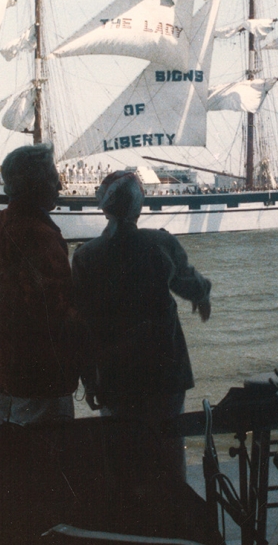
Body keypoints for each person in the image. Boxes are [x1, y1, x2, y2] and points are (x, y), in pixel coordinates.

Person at [71, 170, 211, 477]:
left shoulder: (85, 256)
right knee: (168, 450)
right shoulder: (160, 243)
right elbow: (190, 284)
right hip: (165, 369)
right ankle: (173, 512)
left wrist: (89, 379)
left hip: (115, 372)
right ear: (139, 207)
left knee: (123, 456)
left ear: (103, 206)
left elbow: (82, 325)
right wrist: (203, 295)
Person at [0, 143, 79, 425]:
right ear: (38, 183)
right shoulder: (40, 236)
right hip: (39, 379)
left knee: (9, 459)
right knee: (46, 461)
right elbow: (56, 312)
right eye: (54, 176)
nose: (59, 183)